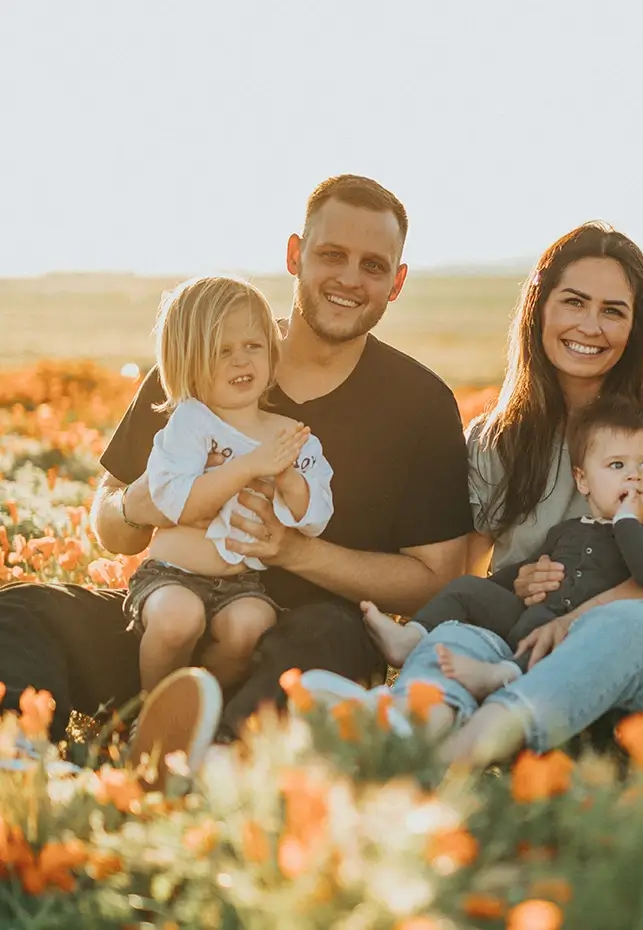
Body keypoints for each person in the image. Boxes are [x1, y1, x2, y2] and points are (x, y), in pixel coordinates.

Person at [0, 175, 472, 776]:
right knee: (25, 610)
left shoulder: (420, 403)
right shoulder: (209, 355)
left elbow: (434, 580)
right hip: (171, 621)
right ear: (295, 255)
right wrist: (142, 506)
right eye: (332, 255)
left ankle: (204, 761)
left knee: (328, 637)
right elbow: (111, 521)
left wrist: (293, 550)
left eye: (373, 265)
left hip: (300, 646)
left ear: (397, 283)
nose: (350, 279)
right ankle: (20, 757)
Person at [294, 221, 643, 768]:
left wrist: (572, 621)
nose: (591, 325)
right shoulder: (497, 438)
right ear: (539, 308)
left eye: (614, 310)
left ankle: (463, 753)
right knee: (458, 634)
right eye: (574, 302)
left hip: (635, 662)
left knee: (628, 623)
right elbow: (460, 577)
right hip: (521, 645)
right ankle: (408, 729)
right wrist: (512, 582)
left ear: (635, 327)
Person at [362, 394, 643, 699]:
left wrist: (627, 522)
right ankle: (410, 638)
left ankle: (502, 675)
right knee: (467, 588)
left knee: (546, 630)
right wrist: (511, 583)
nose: (634, 477)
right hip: (526, 617)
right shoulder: (567, 531)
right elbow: (522, 570)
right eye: (617, 465)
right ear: (583, 481)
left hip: (578, 635)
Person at [125, 275, 333, 694]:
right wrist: (252, 465)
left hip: (241, 584)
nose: (241, 361)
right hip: (171, 574)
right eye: (222, 351)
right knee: (178, 619)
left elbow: (315, 517)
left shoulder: (290, 433)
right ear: (188, 361)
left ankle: (199, 706)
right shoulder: (190, 422)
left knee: (252, 626)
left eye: (252, 346)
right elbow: (178, 503)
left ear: (272, 353)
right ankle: (147, 710)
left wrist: (288, 481)